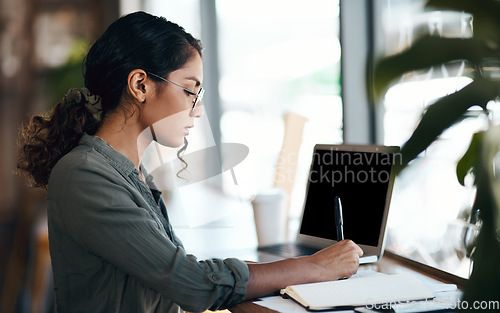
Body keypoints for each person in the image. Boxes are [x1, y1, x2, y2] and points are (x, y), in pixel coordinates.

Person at [17, 11, 363, 313]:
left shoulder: (128, 173)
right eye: (189, 90)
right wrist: (313, 267)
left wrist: (299, 267)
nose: (197, 110)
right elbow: (194, 284)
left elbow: (179, 273)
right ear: (140, 85)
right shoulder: (85, 175)